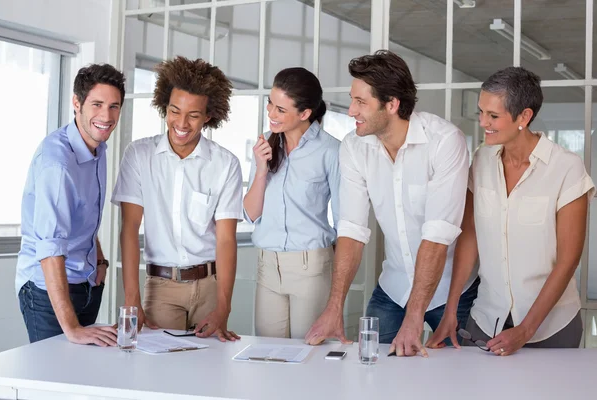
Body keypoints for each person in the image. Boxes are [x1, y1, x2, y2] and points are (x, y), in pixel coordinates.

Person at [305, 50, 479, 356]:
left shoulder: (444, 141)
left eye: (361, 102)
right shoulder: (354, 147)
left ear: (392, 104)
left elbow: (438, 235)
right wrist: (335, 306)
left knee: (458, 380)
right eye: (352, 99)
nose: (350, 111)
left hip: (451, 292)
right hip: (394, 286)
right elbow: (352, 229)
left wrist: (414, 319)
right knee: (369, 368)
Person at [427, 67, 595, 355]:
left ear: (524, 117)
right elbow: (469, 238)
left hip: (551, 328)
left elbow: (568, 261)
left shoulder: (566, 167)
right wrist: (451, 310)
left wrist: (526, 330)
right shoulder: (481, 160)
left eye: (493, 116)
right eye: (481, 112)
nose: (483, 122)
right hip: (487, 320)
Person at [112, 56, 242, 342]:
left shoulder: (225, 164)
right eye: (174, 111)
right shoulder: (139, 156)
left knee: (209, 374)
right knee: (158, 374)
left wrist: (223, 307)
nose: (181, 123)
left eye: (193, 115)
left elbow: (225, 240)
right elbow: (130, 229)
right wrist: (132, 299)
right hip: (160, 289)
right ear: (164, 107)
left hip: (209, 287)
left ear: (208, 116)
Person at [16, 64, 126, 345]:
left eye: (114, 106)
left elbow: (84, 214)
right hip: (46, 289)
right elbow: (50, 246)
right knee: (51, 382)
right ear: (77, 103)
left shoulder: (98, 147)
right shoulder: (58, 163)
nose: (106, 116)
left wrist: (99, 262)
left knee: (79, 378)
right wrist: (73, 328)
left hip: (86, 281)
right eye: (97, 104)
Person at [243, 67, 340, 339]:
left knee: (308, 358)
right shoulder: (265, 144)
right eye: (270, 105)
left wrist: (339, 291)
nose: (272, 114)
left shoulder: (331, 151)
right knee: (267, 356)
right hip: (267, 267)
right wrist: (261, 169)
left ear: (305, 113)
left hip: (311, 268)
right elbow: (250, 214)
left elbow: (345, 224)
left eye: (281, 110)